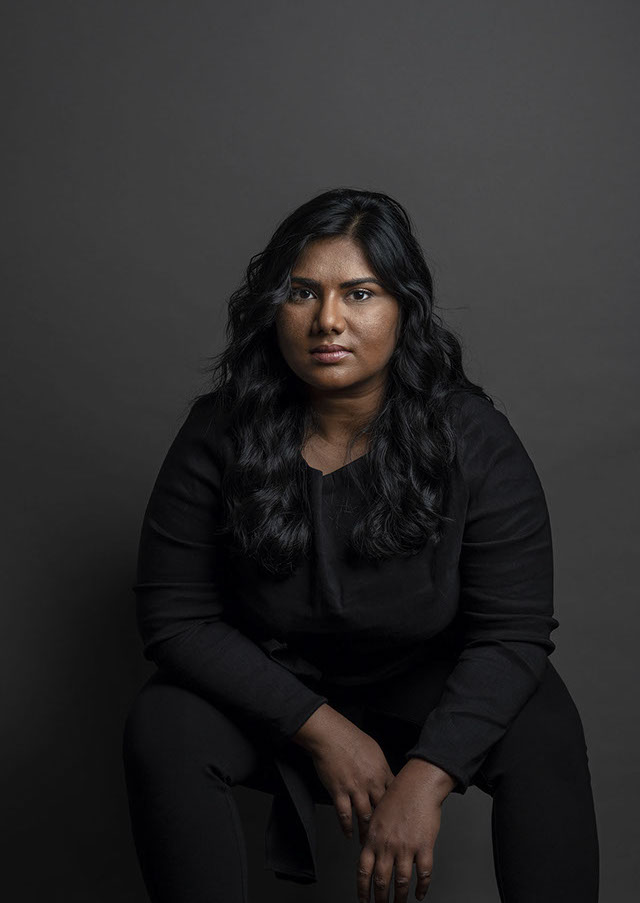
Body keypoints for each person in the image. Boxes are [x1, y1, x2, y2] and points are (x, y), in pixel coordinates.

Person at [121, 187, 600, 903]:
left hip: (426, 684)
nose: (328, 319)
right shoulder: (219, 430)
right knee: (164, 722)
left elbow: (514, 631)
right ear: (273, 307)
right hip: (276, 690)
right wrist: (321, 729)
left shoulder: (473, 436)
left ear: (404, 307)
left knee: (542, 720)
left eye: (360, 292)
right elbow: (176, 618)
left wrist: (428, 775)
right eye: (302, 292)